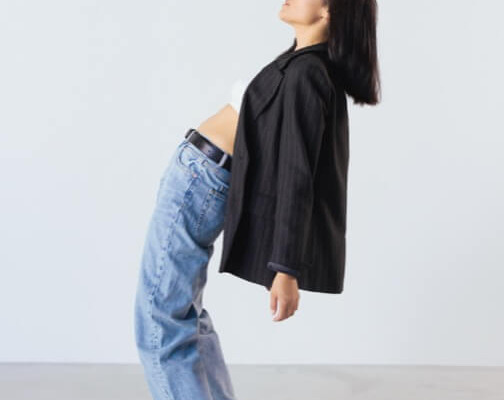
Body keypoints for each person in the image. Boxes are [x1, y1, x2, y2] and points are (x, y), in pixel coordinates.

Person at [134, 0, 381, 399]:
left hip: (199, 180)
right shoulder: (300, 62)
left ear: (329, 11)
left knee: (160, 320)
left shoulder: (307, 72)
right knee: (182, 317)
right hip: (200, 176)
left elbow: (298, 174)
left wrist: (286, 268)